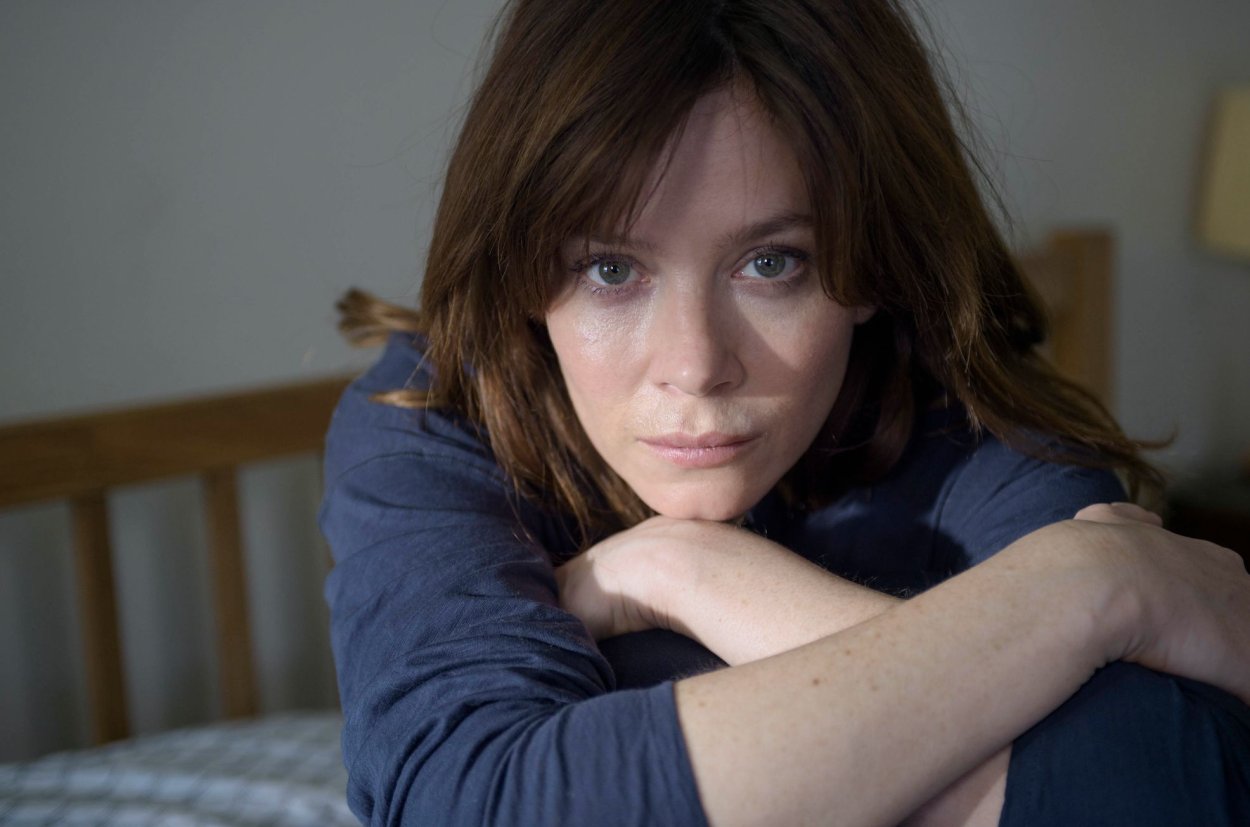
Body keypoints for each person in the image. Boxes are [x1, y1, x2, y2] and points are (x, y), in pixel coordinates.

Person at [320, 1, 1250, 824]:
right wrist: (1083, 589)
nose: (696, 366)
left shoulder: (971, 421)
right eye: (609, 268)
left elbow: (1179, 783)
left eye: (771, 263)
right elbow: (467, 801)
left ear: (872, 264)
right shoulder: (434, 416)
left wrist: (690, 572)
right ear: (523, 272)